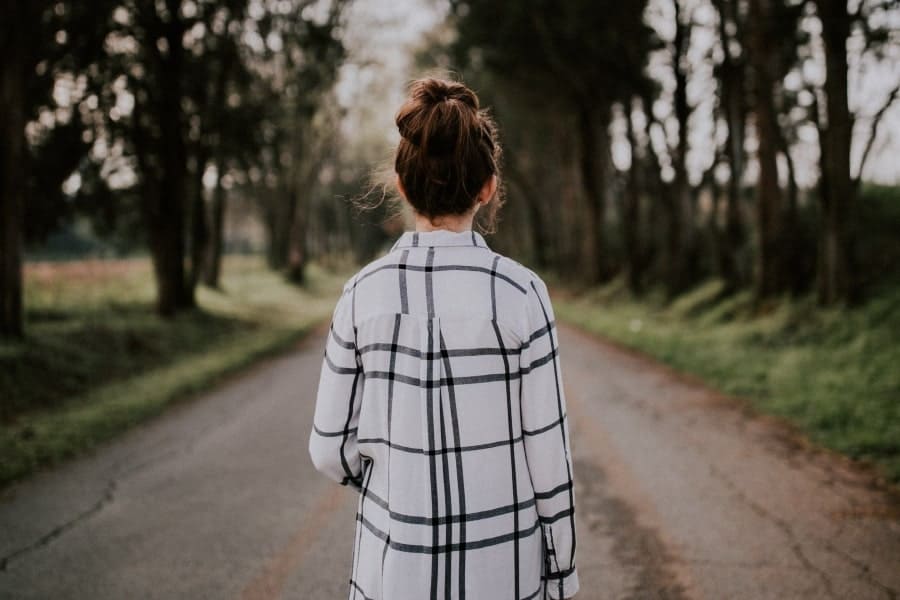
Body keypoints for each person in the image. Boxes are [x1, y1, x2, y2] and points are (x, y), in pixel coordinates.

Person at [309, 77, 579, 600]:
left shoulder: (362, 295)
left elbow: (328, 451)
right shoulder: (523, 294)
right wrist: (563, 576)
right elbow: (550, 460)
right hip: (506, 571)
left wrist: (397, 477)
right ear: (487, 188)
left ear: (402, 187)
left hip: (394, 570)